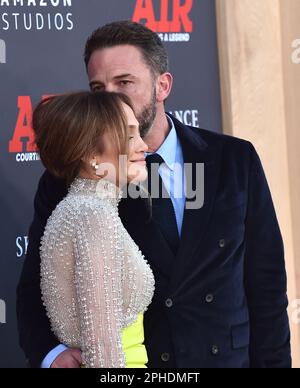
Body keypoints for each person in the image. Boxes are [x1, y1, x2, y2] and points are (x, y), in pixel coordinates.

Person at [17, 21, 291, 368]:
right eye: (99, 87)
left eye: (124, 82)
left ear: (163, 85)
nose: (111, 98)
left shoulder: (233, 159)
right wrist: (52, 355)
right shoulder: (70, 179)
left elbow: (265, 285)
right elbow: (34, 289)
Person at [32, 90, 154, 368]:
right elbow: (103, 351)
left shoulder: (82, 209)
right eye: (130, 135)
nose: (143, 145)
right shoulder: (92, 216)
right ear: (90, 155)